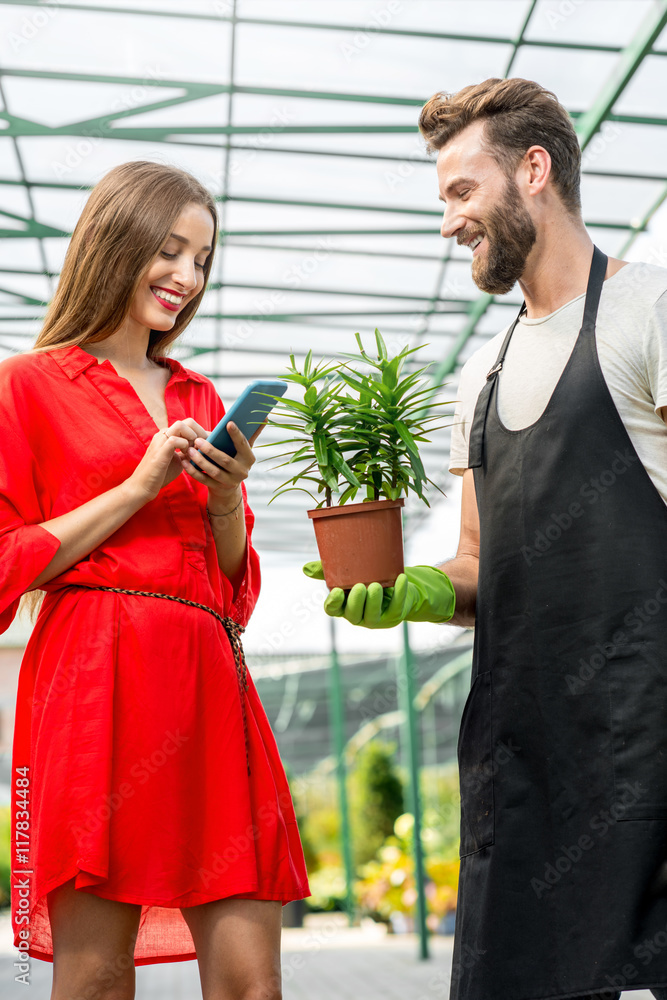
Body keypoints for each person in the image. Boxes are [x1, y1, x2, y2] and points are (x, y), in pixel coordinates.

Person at [305, 78, 667, 1000]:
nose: (448, 223)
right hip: (532, 764)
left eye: (462, 192)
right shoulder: (483, 370)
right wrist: (417, 590)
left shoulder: (650, 311)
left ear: (533, 171)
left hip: (651, 745)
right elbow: (477, 564)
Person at [4, 160, 309, 1000]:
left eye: (202, 259)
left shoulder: (200, 392)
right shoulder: (25, 387)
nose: (186, 276)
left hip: (210, 682)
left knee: (254, 984)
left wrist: (224, 495)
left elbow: (233, 586)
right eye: (168, 250)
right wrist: (136, 487)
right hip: (93, 687)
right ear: (114, 243)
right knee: (96, 976)